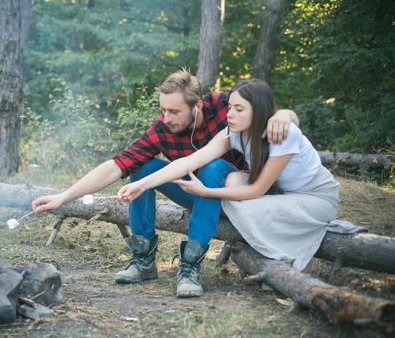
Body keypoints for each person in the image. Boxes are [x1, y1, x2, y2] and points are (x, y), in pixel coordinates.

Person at [32, 70, 298, 298]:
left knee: (213, 166)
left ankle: (191, 265)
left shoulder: (226, 107)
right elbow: (116, 165)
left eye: (174, 111)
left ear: (198, 106)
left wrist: (284, 115)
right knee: (143, 166)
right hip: (195, 194)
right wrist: (64, 197)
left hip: (237, 196)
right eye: (163, 110)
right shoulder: (162, 129)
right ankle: (143, 259)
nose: (166, 117)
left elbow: (273, 113)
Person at [118, 78, 365, 284]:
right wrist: (143, 184)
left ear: (257, 110)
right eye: (230, 107)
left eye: (239, 109)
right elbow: (188, 162)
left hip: (315, 197)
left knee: (230, 190)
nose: (230, 114)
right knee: (227, 182)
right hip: (280, 194)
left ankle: (295, 263)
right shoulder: (232, 133)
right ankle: (143, 261)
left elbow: (258, 188)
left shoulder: (283, 134)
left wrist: (206, 191)